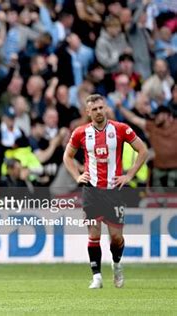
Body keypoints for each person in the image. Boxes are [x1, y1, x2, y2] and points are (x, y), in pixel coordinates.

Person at [63, 94, 147, 289]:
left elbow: (143, 151)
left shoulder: (120, 129)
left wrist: (129, 175)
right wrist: (77, 176)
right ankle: (97, 277)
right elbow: (68, 156)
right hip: (91, 191)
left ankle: (117, 265)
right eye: (95, 109)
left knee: (116, 238)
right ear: (88, 112)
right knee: (94, 235)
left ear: (106, 107)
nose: (99, 112)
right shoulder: (80, 133)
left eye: (101, 108)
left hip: (114, 191)